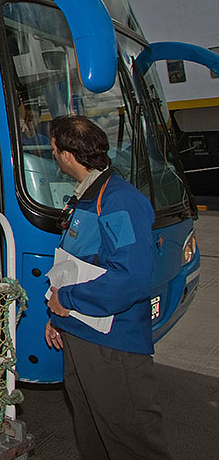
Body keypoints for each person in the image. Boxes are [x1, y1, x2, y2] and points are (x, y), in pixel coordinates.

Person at [44, 115, 173, 460]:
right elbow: (78, 261)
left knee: (131, 440)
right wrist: (58, 314)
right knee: (93, 433)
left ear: (68, 156)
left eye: (54, 149)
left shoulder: (118, 201)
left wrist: (67, 299)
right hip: (81, 330)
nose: (53, 155)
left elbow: (130, 278)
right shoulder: (87, 197)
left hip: (112, 344)